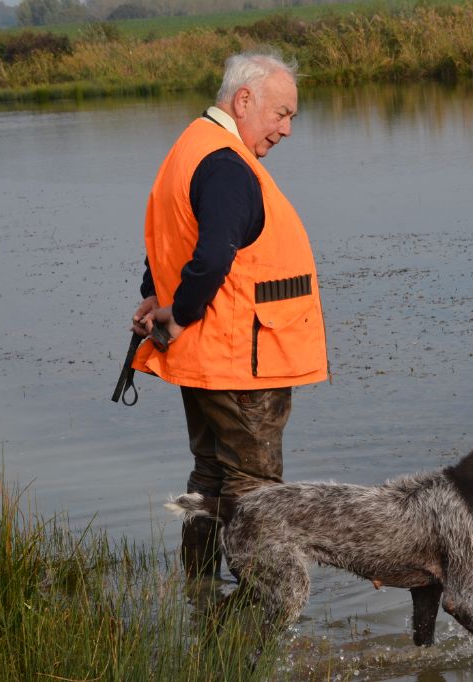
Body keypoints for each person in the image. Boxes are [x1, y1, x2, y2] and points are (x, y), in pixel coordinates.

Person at [129, 50, 328, 581]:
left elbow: (170, 236)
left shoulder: (191, 146)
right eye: (281, 113)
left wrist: (156, 294)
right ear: (244, 100)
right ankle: (258, 619)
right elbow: (213, 254)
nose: (286, 129)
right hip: (241, 361)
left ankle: (199, 604)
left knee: (210, 482)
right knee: (255, 490)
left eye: (291, 117)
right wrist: (178, 313)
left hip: (208, 358)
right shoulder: (225, 165)